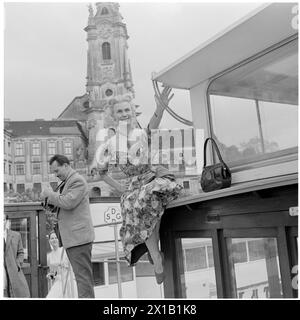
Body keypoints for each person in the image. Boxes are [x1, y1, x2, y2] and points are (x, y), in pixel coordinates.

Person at [92, 87, 182, 284]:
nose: (124, 114)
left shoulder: (141, 134)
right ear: (113, 116)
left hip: (150, 178)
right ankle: (155, 255)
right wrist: (120, 188)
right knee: (138, 201)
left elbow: (153, 127)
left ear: (132, 112)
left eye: (127, 110)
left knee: (147, 197)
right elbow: (101, 172)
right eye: (120, 111)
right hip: (132, 187)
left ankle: (155, 255)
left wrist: (161, 108)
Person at [41, 154, 95, 298]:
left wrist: (50, 194)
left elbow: (68, 202)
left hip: (79, 238)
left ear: (66, 165)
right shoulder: (67, 182)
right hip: (74, 238)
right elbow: (61, 204)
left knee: (83, 279)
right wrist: (47, 199)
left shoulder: (77, 181)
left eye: (57, 171)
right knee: (81, 277)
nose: (56, 175)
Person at [3, 214, 31, 298]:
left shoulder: (16, 235)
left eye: (3, 219)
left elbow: (21, 252)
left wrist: (17, 264)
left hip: (13, 270)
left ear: (6, 221)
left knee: (16, 294)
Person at [46, 231, 78, 298]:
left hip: (68, 280)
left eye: (55, 238)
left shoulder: (63, 251)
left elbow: (71, 266)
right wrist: (50, 275)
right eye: (52, 238)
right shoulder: (49, 256)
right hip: (58, 281)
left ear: (58, 239)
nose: (54, 240)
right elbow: (53, 272)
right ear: (49, 241)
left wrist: (64, 265)